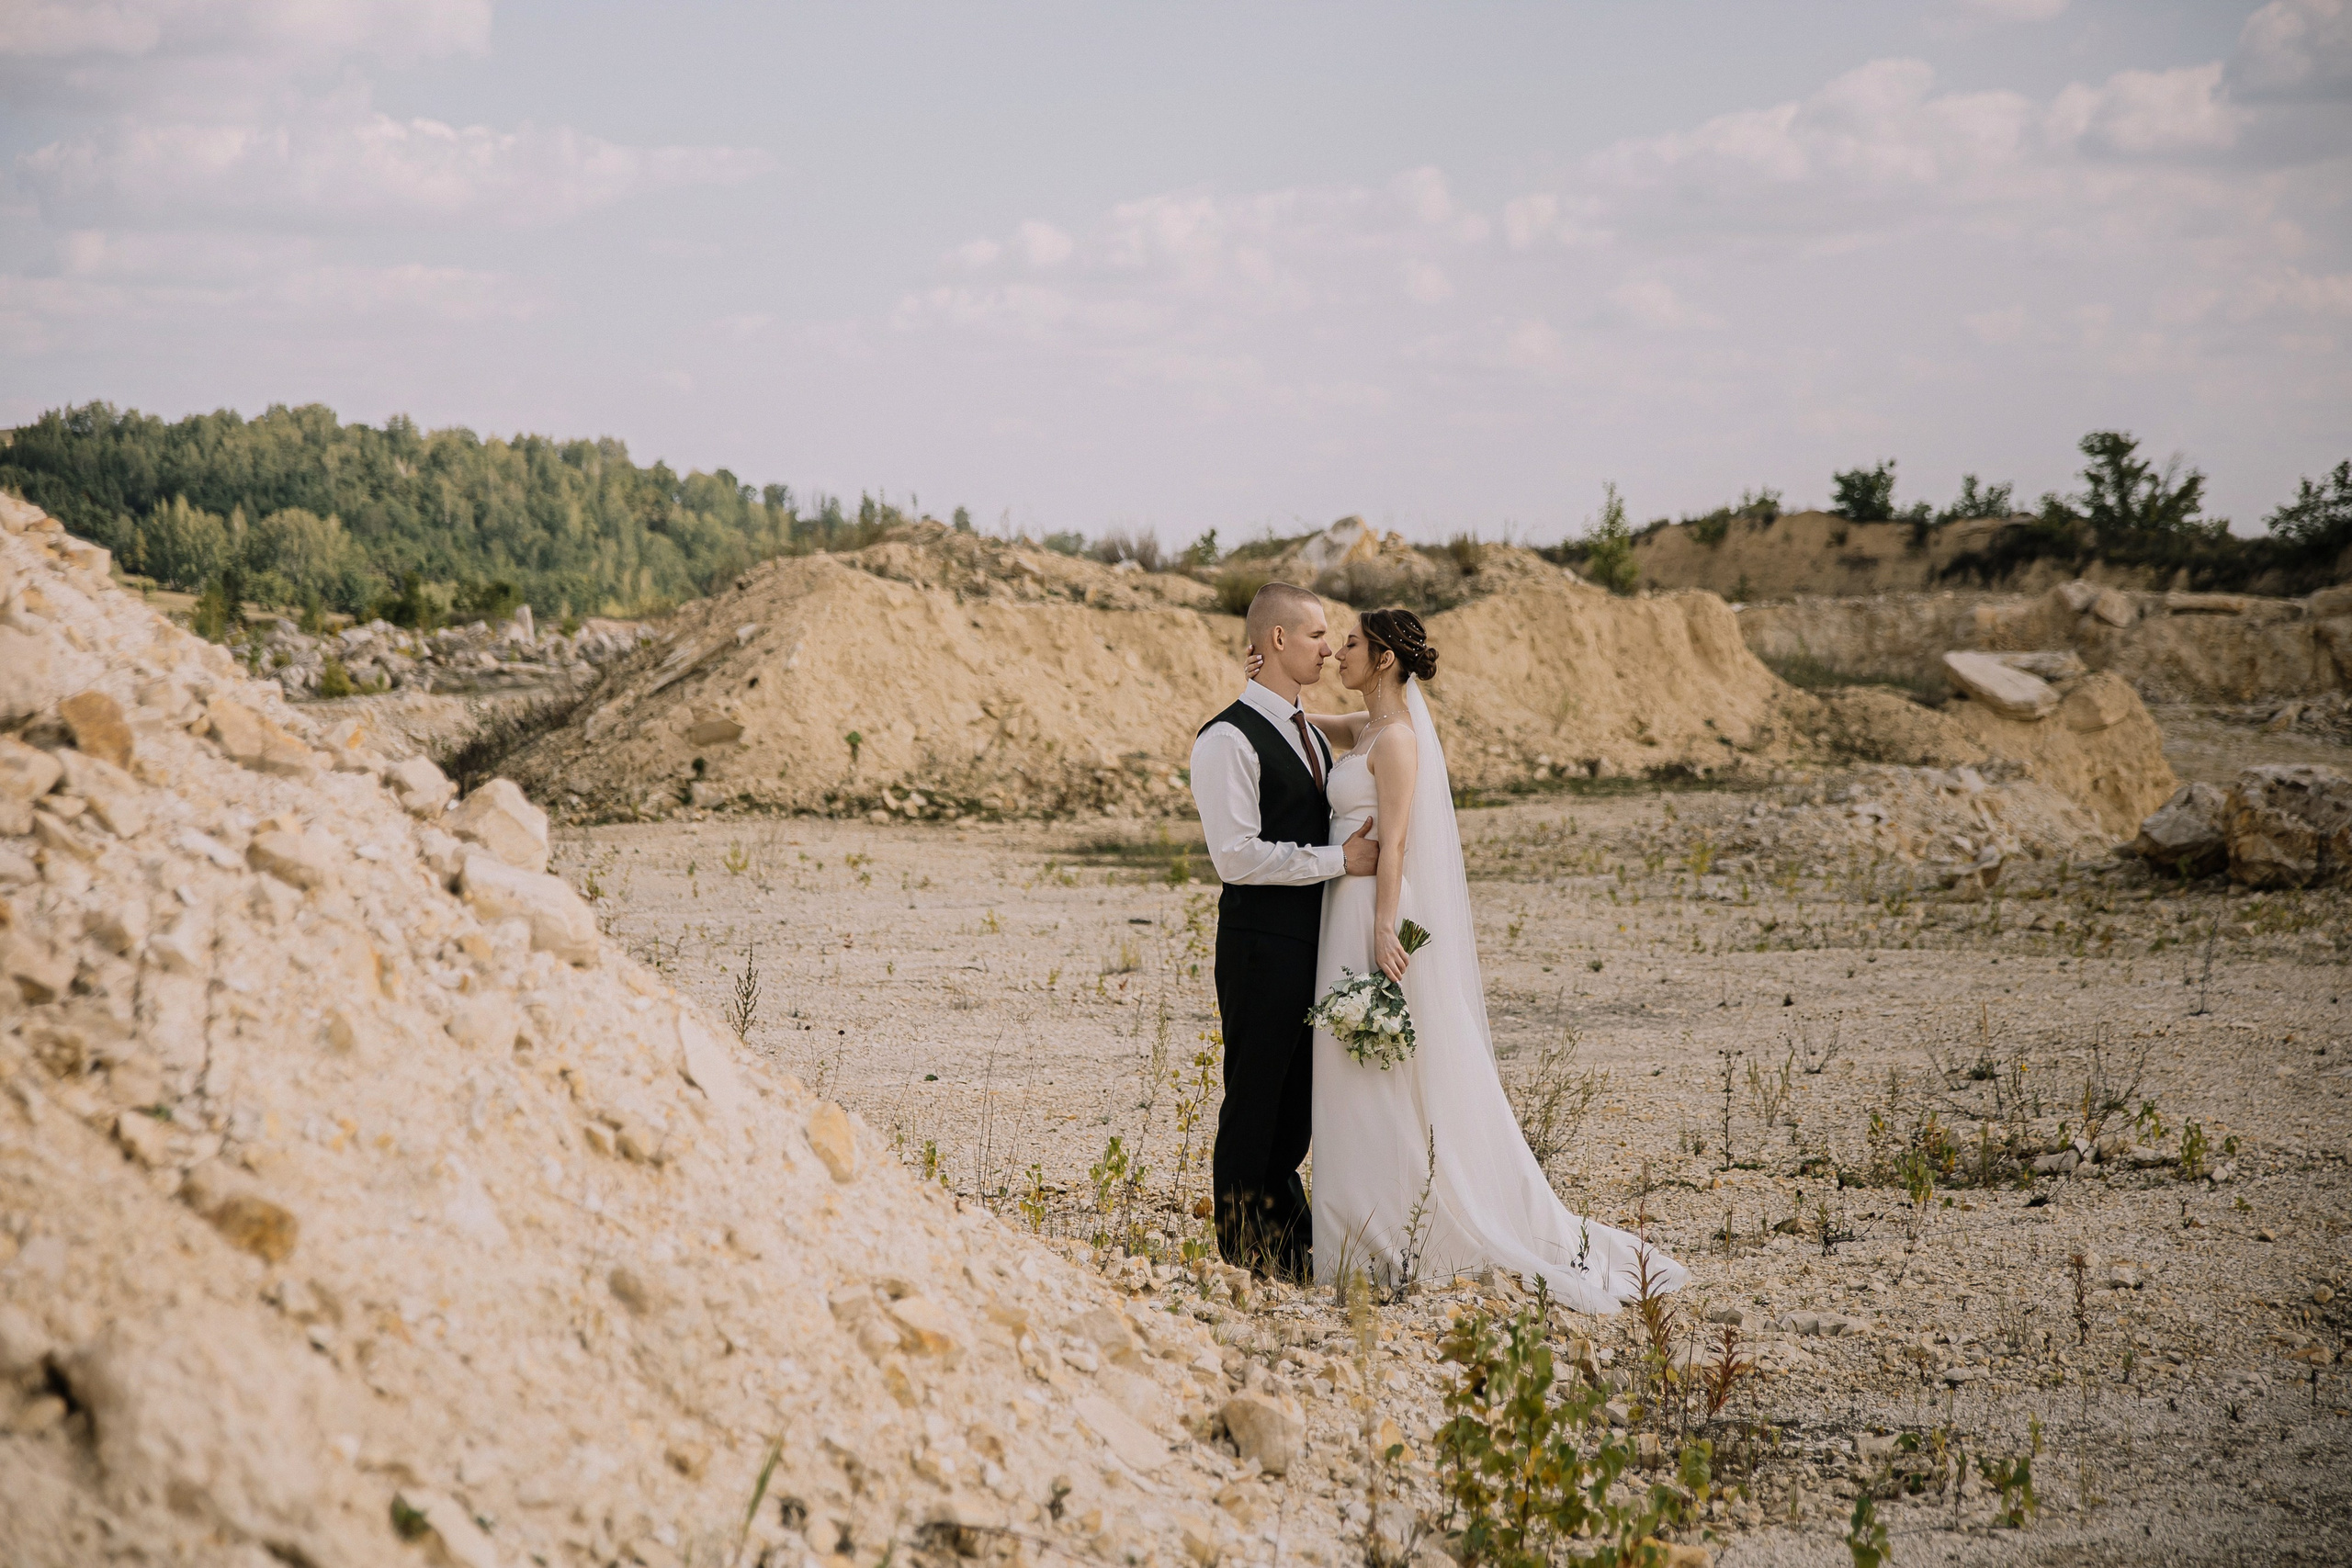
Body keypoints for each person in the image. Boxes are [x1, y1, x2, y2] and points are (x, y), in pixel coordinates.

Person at [1279, 606, 1687, 1312]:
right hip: (1343, 909)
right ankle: (1355, 1230)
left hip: (1375, 910)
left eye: (1349, 644)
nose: (1338, 653)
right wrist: (1270, 682)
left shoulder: (1400, 740)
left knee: (1386, 1064)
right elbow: (1308, 725)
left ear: (1382, 660)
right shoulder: (1368, 729)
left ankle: (1391, 1234)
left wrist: (1383, 931)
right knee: (1352, 1066)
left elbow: (1398, 844)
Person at [1188, 582, 1378, 1280]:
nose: (1329, 648)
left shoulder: (1308, 733)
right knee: (1256, 1095)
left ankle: (1285, 1239)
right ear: (1276, 641)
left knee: (1297, 1103)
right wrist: (1342, 860)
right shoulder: (1227, 738)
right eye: (1317, 635)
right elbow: (1234, 855)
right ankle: (1240, 1250)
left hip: (1313, 945)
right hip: (1260, 945)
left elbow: (1380, 728)